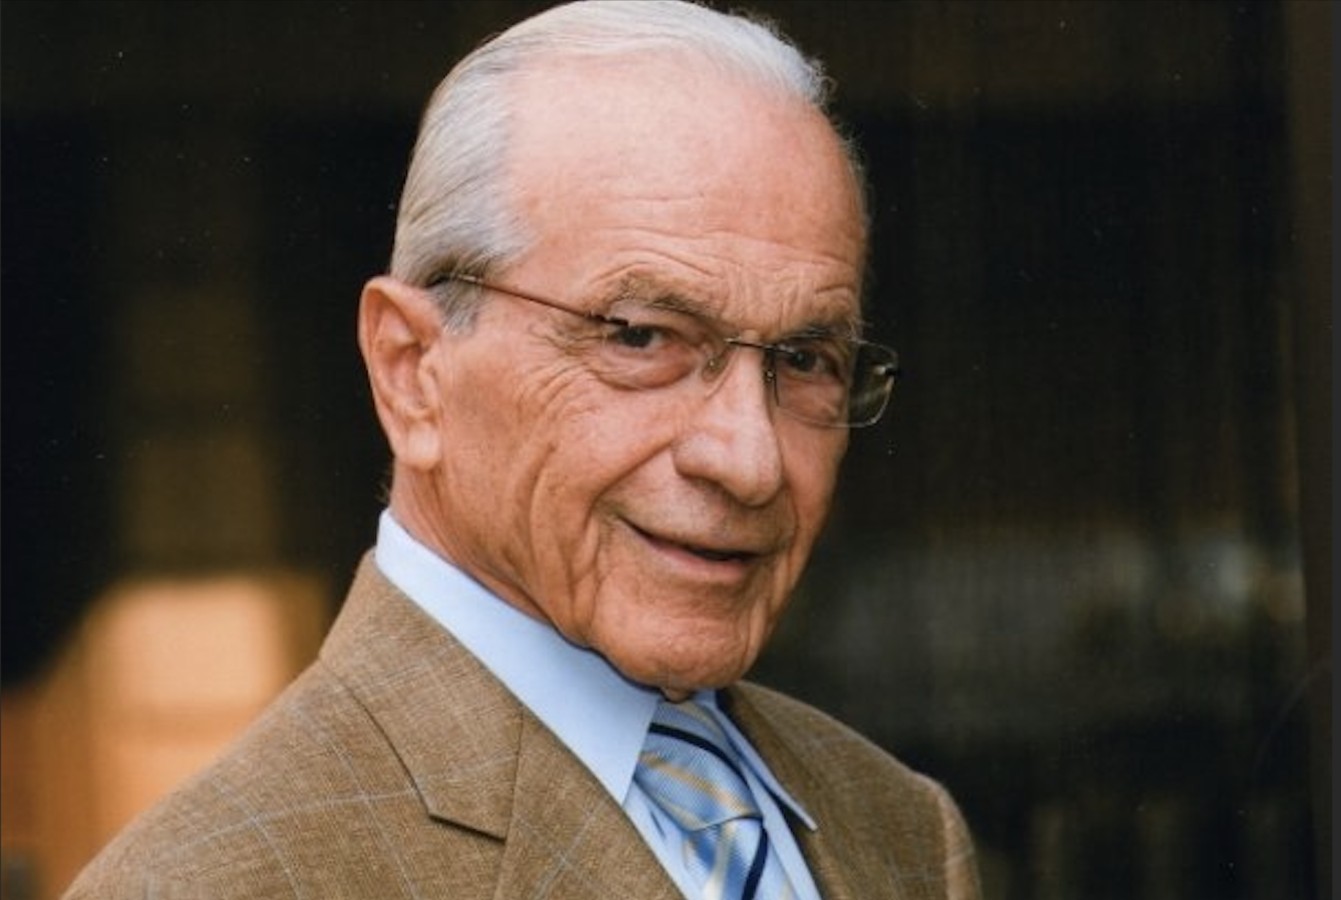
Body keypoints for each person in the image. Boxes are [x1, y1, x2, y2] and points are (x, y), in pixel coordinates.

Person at [66, 2, 981, 897]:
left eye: (806, 359)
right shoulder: (212, 883)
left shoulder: (900, 826)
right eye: (640, 337)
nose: (750, 461)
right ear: (412, 370)